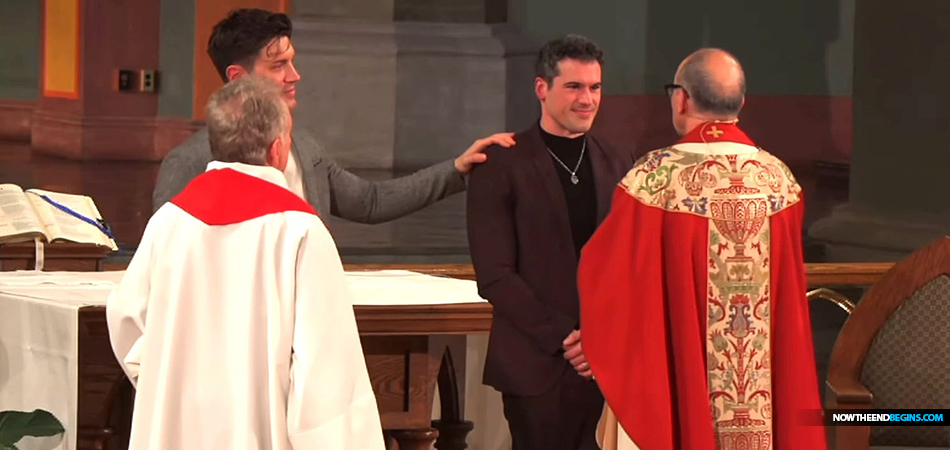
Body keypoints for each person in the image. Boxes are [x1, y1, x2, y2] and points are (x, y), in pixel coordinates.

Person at [107, 76, 384, 450]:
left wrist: (168, 380)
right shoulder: (298, 229)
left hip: (175, 428)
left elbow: (126, 316)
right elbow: (325, 370)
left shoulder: (170, 221)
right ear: (277, 149)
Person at [578, 48, 827, 450]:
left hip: (686, 383)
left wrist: (594, 337)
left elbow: (606, 274)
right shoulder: (780, 182)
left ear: (681, 98)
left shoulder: (655, 179)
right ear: (741, 103)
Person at [153, 8, 514, 219]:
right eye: (278, 65)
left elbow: (371, 202)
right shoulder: (188, 163)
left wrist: (456, 170)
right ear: (238, 77)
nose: (294, 76)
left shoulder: (305, 148)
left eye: (292, 61)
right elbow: (167, 258)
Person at [465, 35, 634, 450]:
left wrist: (600, 337)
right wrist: (569, 338)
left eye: (595, 87)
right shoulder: (501, 163)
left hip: (605, 363)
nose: (587, 99)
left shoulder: (620, 160)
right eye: (574, 87)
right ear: (542, 88)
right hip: (535, 364)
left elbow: (629, 264)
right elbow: (495, 276)